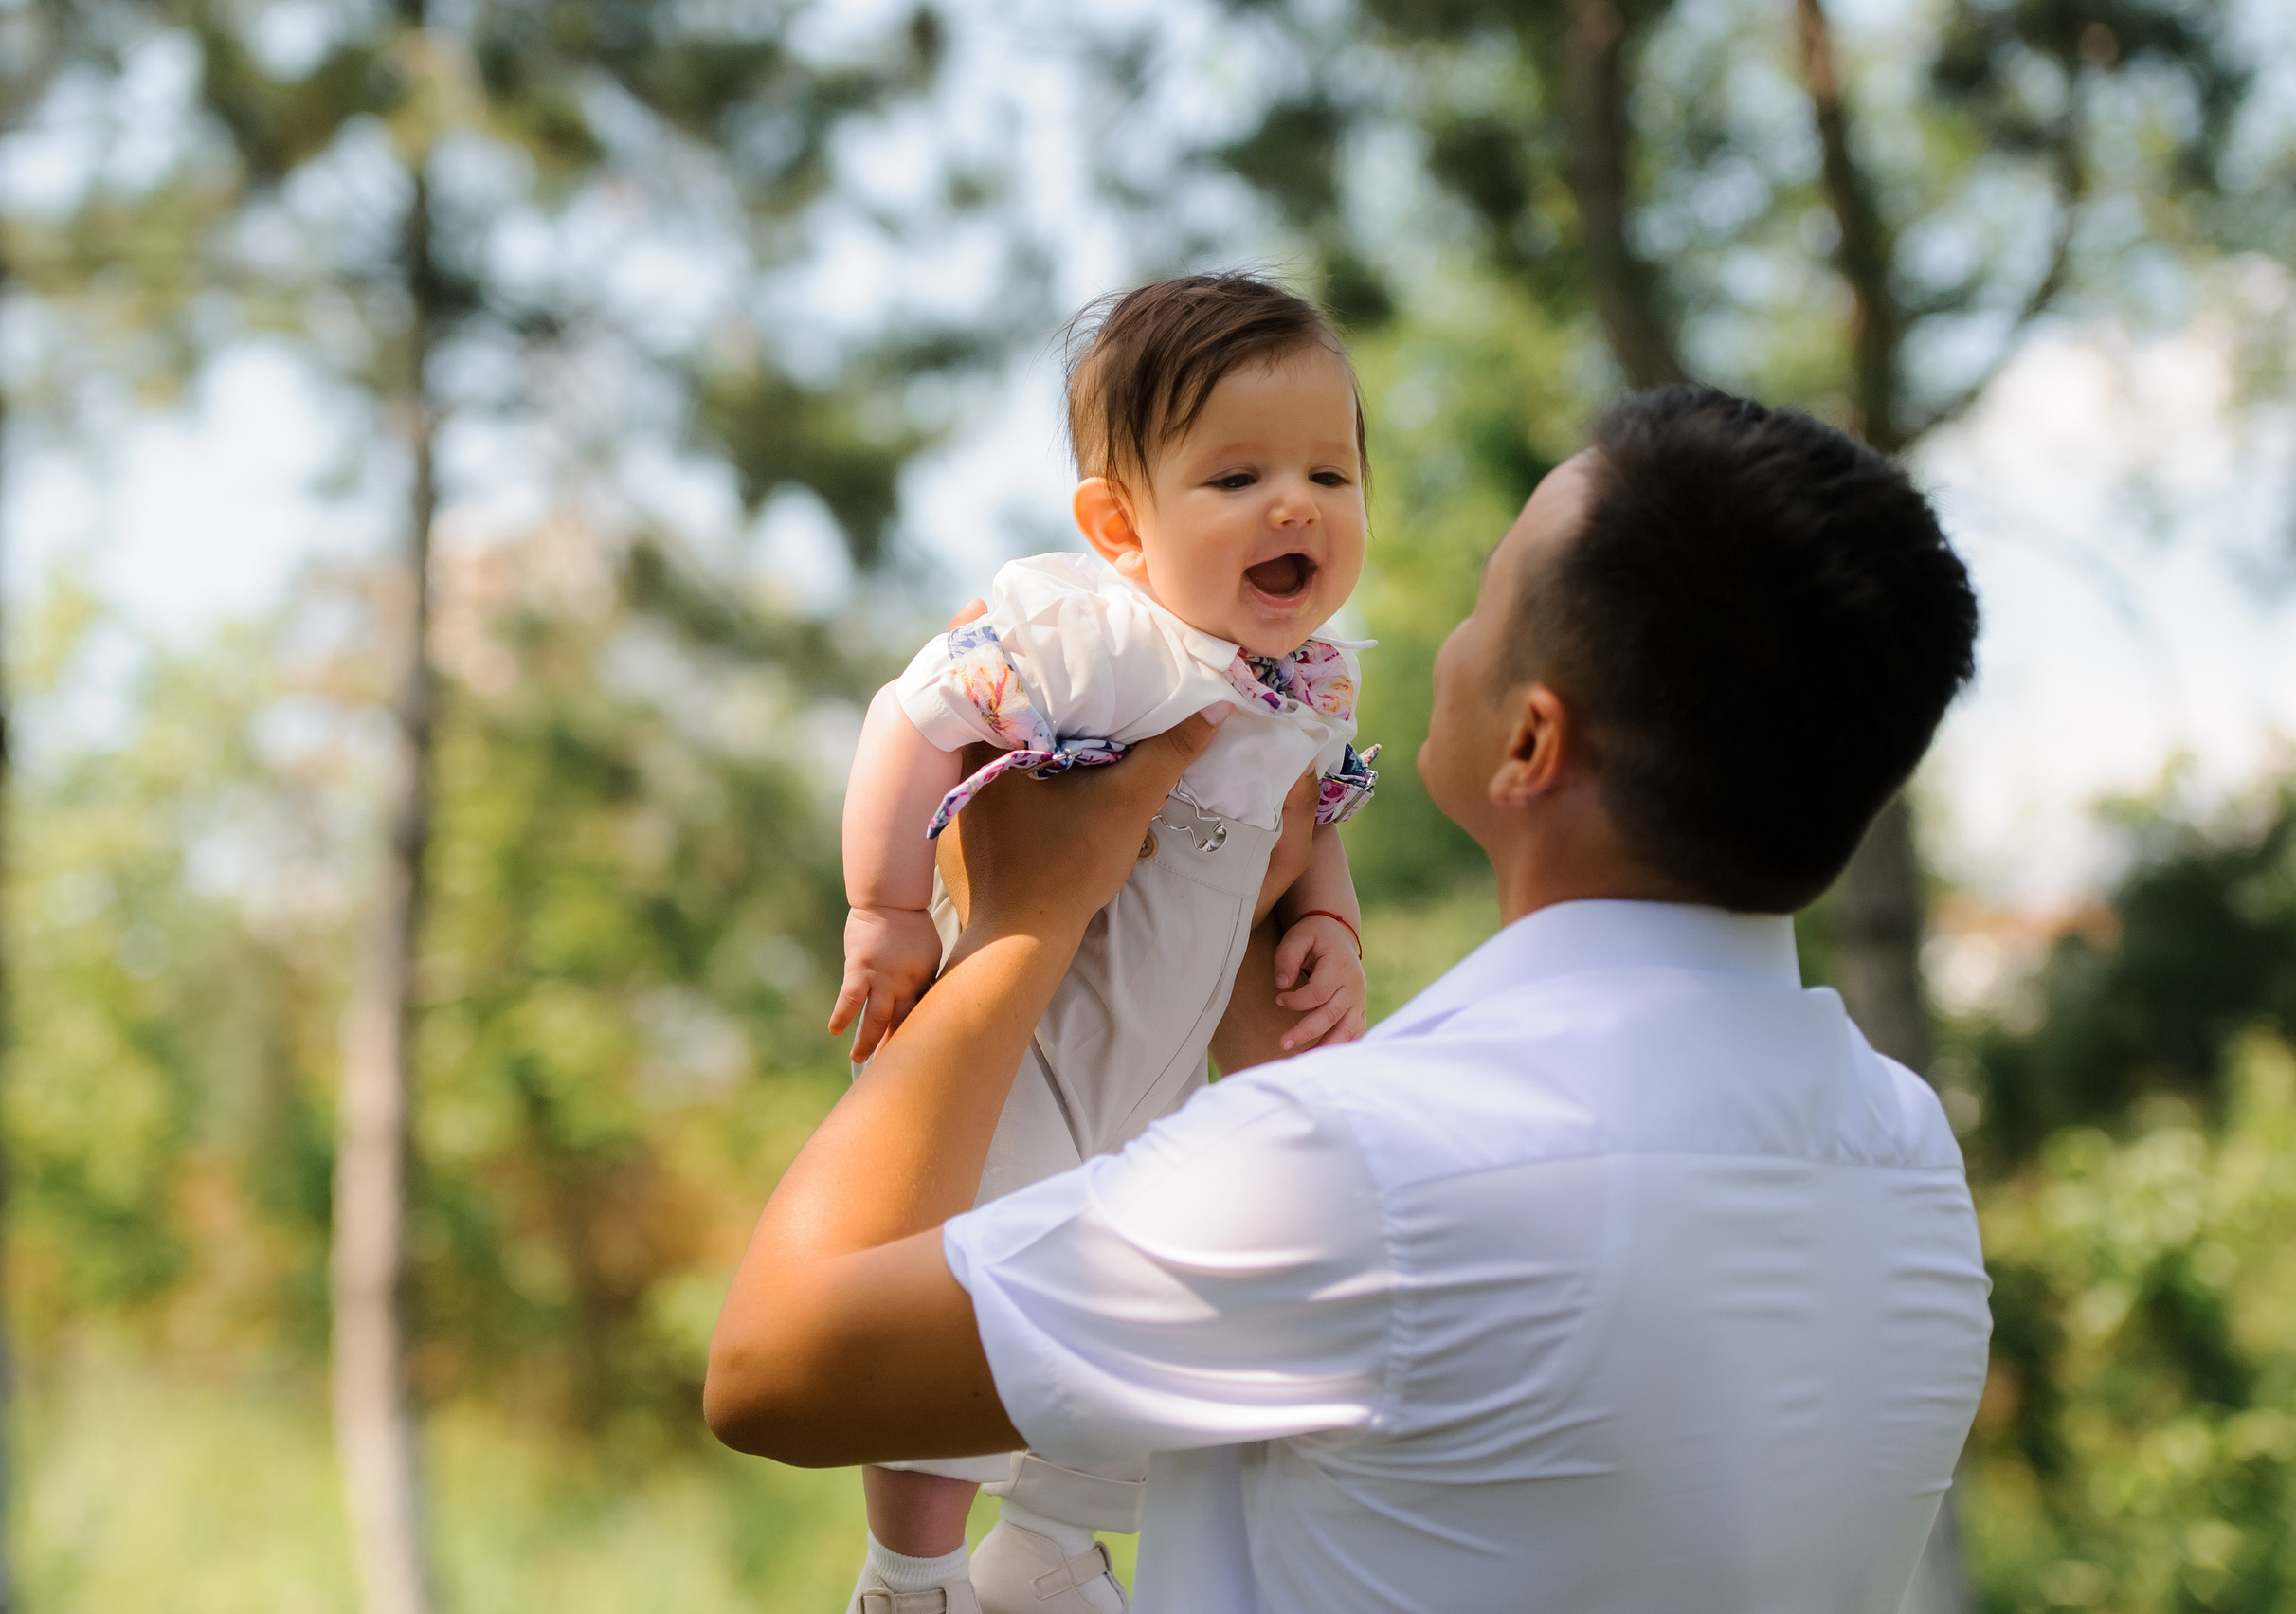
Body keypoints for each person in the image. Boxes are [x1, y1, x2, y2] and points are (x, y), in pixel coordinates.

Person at [710, 386, 1993, 1613]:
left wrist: (1025, 922)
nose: (1446, 637)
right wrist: (1219, 934)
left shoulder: (1361, 1169)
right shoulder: (1914, 1167)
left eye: (1489, 600)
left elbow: (774, 1370)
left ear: (1531, 743)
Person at [824, 273, 1383, 1612]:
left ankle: (1050, 1547)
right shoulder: (1095, 640)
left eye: (1329, 473)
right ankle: (912, 1572)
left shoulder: (1309, 680)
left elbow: (1306, 817)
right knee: (960, 1293)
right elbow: (915, 713)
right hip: (1026, 1042)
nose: (1295, 506)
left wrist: (1329, 921)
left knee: (1142, 1302)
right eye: (1237, 477)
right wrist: (885, 910)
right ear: (1120, 527)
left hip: (1161, 1073)